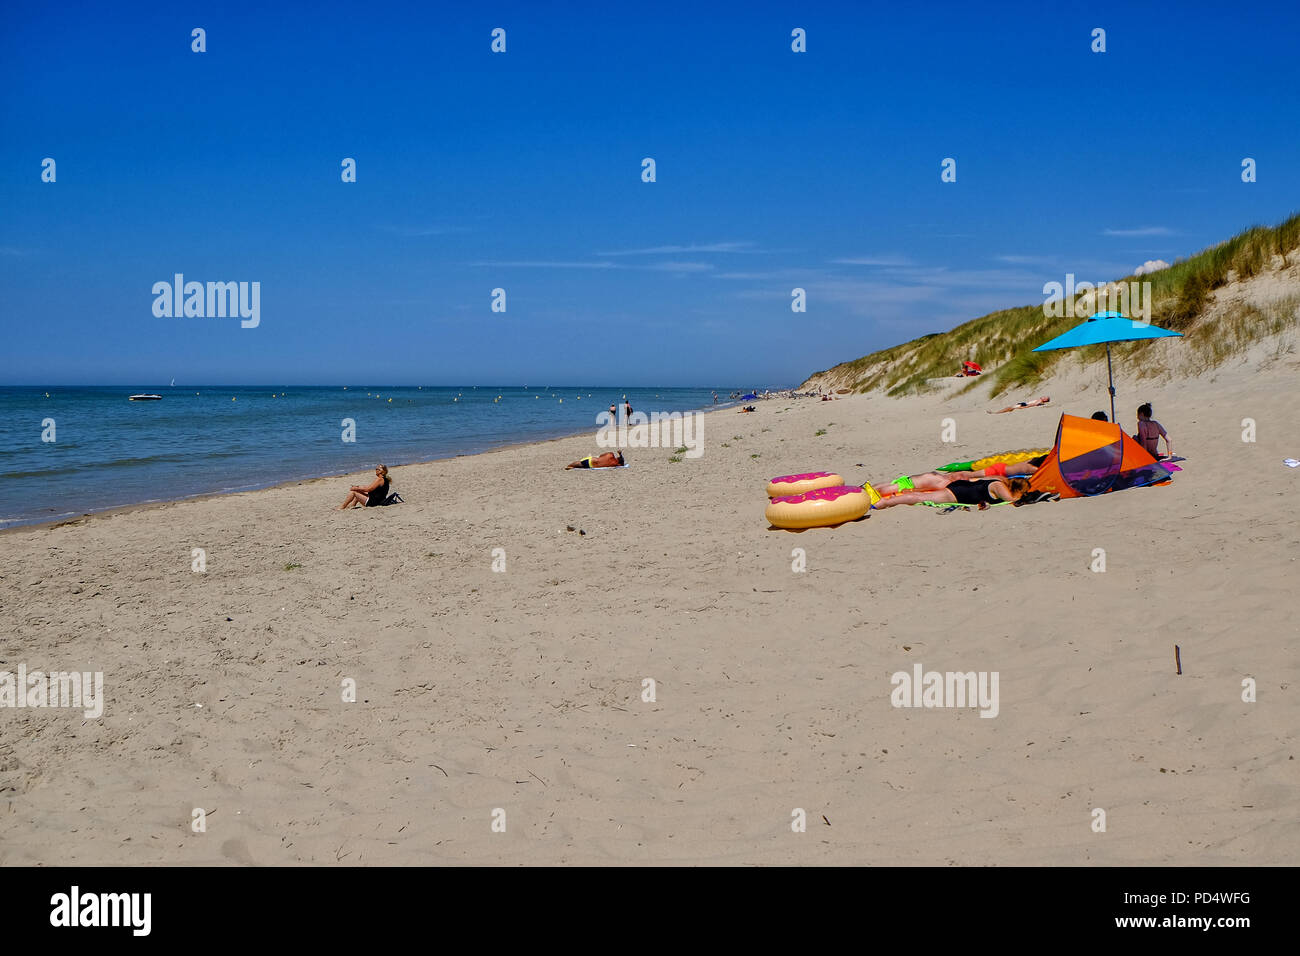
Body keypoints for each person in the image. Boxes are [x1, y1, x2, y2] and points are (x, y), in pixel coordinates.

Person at [872, 476, 1033, 510]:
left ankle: (878, 490)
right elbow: (1011, 499)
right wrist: (1023, 498)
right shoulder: (1000, 487)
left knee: (917, 491)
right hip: (959, 493)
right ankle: (884, 503)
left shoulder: (1000, 480)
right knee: (918, 497)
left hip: (962, 486)